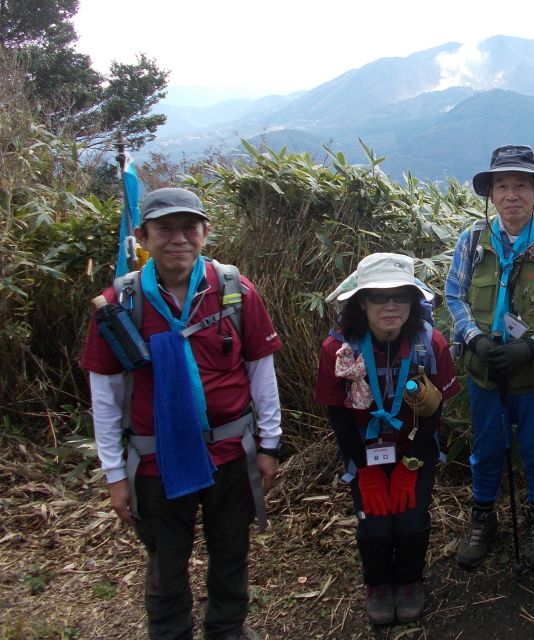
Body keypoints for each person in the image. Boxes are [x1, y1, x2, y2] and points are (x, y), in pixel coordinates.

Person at [80, 187, 283, 640]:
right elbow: (106, 397)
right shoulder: (120, 304)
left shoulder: (234, 290)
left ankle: (226, 630)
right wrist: (115, 474)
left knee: (231, 551)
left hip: (230, 450)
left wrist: (269, 445)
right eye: (164, 229)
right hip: (155, 459)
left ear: (205, 232)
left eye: (189, 227)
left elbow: (261, 373)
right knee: (166, 559)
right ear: (142, 236)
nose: (178, 239)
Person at [314, 252, 458, 626]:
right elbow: (339, 416)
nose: (391, 305)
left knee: (411, 522)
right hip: (364, 451)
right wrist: (364, 469)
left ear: (414, 301)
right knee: (375, 526)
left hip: (416, 449)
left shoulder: (431, 344)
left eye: (401, 296)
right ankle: (378, 583)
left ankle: (410, 580)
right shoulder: (338, 350)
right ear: (362, 302)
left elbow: (434, 411)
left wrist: (412, 464)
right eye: (379, 296)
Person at [445, 144, 534, 570]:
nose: (511, 195)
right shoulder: (473, 240)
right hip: (484, 370)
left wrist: (532, 345)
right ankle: (483, 517)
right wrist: (475, 339)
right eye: (502, 186)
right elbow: (454, 295)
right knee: (487, 446)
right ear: (491, 194)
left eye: (521, 186)